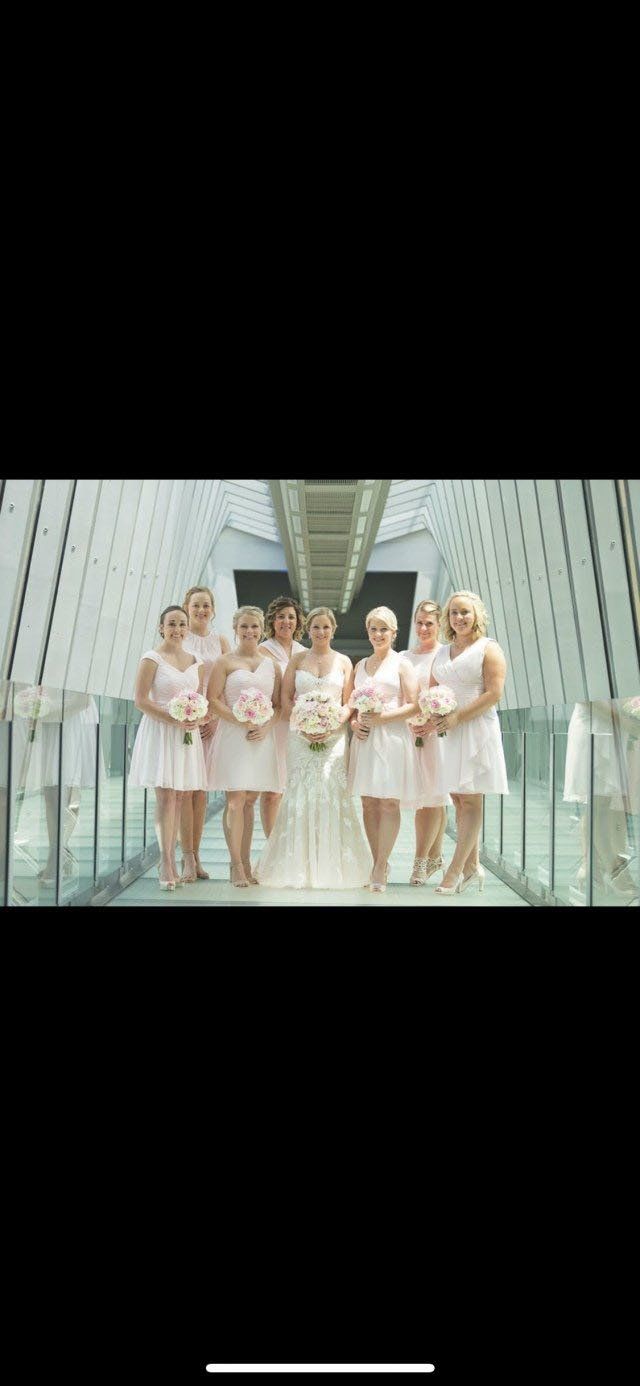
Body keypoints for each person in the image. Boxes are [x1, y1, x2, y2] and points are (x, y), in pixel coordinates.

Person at [255, 607, 371, 889]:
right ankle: (297, 865)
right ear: (308, 630)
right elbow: (285, 699)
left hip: (334, 738)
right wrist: (304, 722)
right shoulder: (297, 660)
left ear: (334, 630)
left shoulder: (344, 661)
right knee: (299, 793)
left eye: (326, 627)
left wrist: (333, 723)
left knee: (332, 792)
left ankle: (332, 864)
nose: (321, 632)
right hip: (300, 736)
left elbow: (349, 702)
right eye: (316, 627)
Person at [425, 590, 508, 895]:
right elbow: (432, 689)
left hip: (475, 728)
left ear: (476, 616)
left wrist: (458, 716)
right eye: (454, 613)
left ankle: (455, 869)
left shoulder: (489, 648)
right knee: (458, 798)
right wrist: (433, 713)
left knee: (471, 798)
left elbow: (494, 693)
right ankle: (472, 867)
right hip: (448, 731)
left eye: (465, 612)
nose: (459, 618)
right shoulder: (442, 652)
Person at [128, 605, 208, 891]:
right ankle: (166, 860)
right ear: (161, 627)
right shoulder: (151, 658)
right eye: (172, 624)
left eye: (182, 624)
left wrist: (197, 717)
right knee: (165, 797)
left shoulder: (197, 661)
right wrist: (173, 718)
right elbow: (140, 700)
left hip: (186, 734)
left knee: (181, 796)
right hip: (161, 731)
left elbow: (200, 699)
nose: (177, 629)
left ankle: (176, 857)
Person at [207, 606, 281, 887]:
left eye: (254, 626)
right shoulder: (224, 662)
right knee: (236, 801)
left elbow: (278, 705)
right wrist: (239, 719)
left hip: (260, 738)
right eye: (244, 626)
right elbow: (213, 699)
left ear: (261, 629)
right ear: (235, 629)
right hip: (233, 736)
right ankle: (235, 864)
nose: (249, 631)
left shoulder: (272, 665)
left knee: (250, 800)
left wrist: (266, 727)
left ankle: (247, 862)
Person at [348, 606, 420, 892]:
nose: (378, 634)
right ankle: (377, 859)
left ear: (394, 633)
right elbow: (351, 706)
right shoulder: (360, 666)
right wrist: (355, 723)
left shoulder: (402, 664)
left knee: (389, 802)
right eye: (373, 629)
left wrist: (382, 718)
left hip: (392, 739)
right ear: (368, 632)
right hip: (365, 739)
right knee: (368, 802)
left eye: (384, 629)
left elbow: (414, 705)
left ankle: (380, 865)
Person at [179, 586, 230, 882]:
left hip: (212, 724)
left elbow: (228, 682)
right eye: (196, 605)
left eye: (206, 605)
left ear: (213, 610)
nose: (201, 610)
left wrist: (215, 718)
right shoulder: (179, 637)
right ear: (187, 607)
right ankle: (186, 856)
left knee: (201, 792)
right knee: (185, 790)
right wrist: (188, 716)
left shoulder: (220, 641)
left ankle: (196, 856)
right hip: (185, 723)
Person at [399, 600, 450, 885]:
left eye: (429, 623)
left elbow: (452, 695)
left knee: (433, 797)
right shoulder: (404, 657)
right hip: (411, 734)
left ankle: (420, 862)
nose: (423, 628)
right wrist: (411, 720)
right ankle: (436, 856)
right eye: (419, 622)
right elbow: (400, 696)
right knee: (428, 797)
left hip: (437, 734)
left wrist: (432, 722)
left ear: (439, 625)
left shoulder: (446, 655)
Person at [258, 595, 307, 837]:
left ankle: (293, 842)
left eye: (291, 617)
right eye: (280, 617)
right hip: (275, 725)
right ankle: (272, 844)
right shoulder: (262, 651)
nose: (286, 621)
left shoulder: (305, 652)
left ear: (298, 622)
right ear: (272, 621)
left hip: (301, 727)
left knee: (297, 789)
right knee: (272, 790)